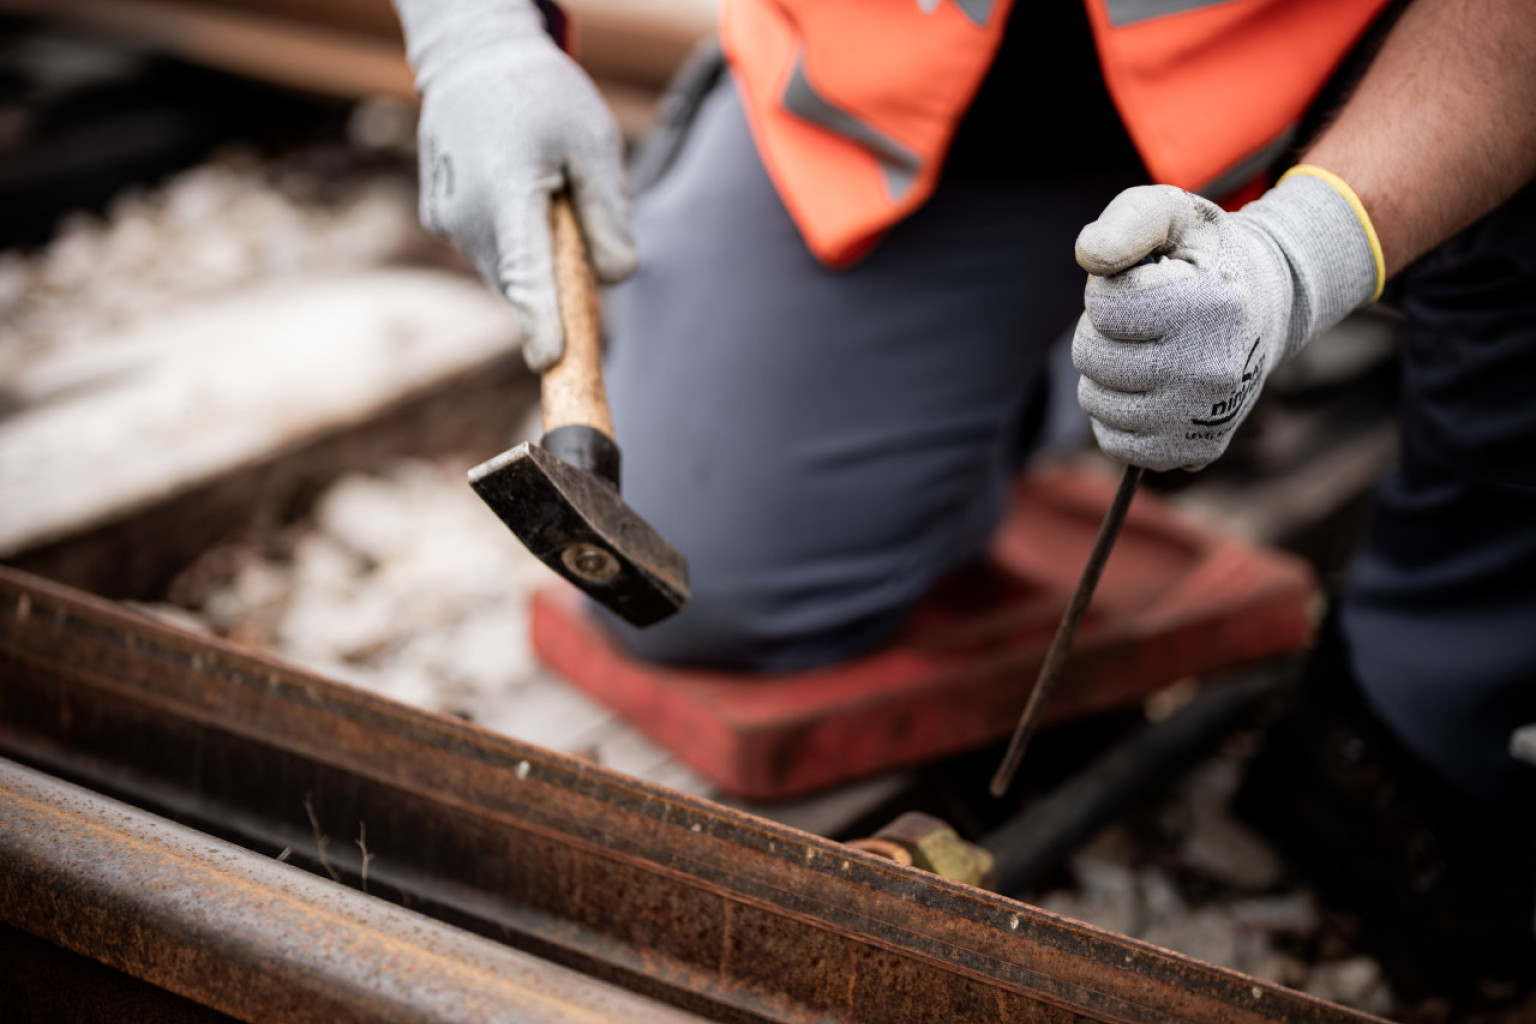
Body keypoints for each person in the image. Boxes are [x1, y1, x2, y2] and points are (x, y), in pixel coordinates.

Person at [393, 0, 1534, 990]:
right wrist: (479, 36)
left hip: (1347, 68)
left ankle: (1427, 695)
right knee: (716, 569)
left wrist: (1299, 260)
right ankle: (1041, 368)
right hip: (919, 74)